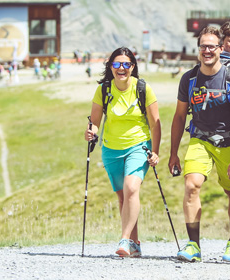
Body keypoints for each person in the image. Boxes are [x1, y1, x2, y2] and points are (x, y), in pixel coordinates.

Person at [169, 26, 230, 263]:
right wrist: (173, 153)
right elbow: (179, 116)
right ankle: (193, 245)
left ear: (220, 48)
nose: (207, 50)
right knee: (192, 185)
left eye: (212, 46)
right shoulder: (189, 78)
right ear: (198, 50)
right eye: (203, 46)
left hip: (229, 142)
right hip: (200, 140)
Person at [84, 47, 161, 257]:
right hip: (111, 149)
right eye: (117, 64)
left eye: (126, 64)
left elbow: (155, 124)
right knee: (123, 197)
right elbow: (95, 122)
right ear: (110, 67)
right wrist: (91, 132)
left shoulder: (143, 88)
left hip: (138, 146)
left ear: (132, 67)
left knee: (131, 188)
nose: (121, 68)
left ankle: (124, 240)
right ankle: (134, 243)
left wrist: (155, 151)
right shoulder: (103, 90)